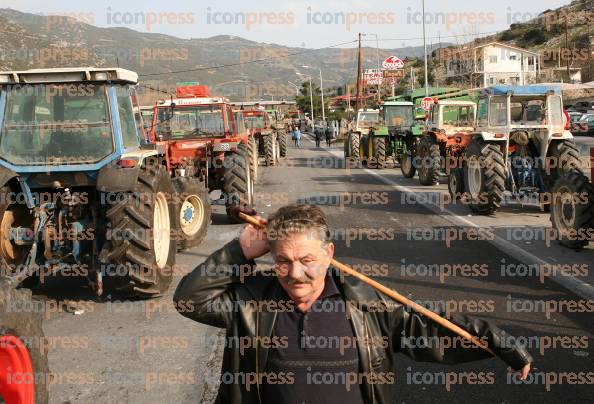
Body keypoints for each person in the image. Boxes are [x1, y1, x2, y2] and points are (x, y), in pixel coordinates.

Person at [174, 204, 533, 404]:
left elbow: (431, 330)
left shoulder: (365, 304)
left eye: (307, 259)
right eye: (282, 261)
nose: (295, 273)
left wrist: (501, 344)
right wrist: (239, 252)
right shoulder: (252, 303)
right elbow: (190, 300)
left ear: (329, 254)